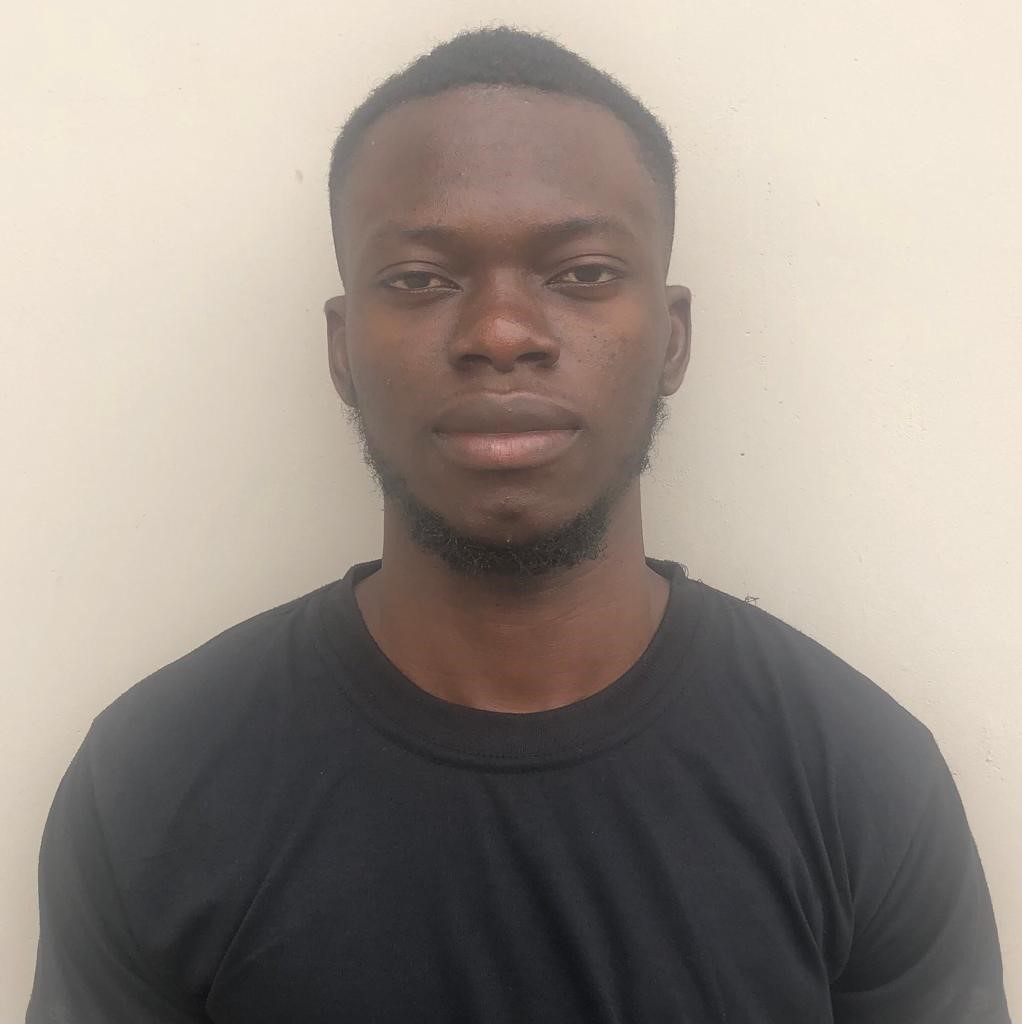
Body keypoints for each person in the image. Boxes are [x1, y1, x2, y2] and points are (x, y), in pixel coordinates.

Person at [27, 26, 1010, 1024]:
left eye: (581, 273)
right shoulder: (151, 780)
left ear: (671, 339)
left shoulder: (862, 777)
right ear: (342, 347)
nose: (501, 334)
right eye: (420, 279)